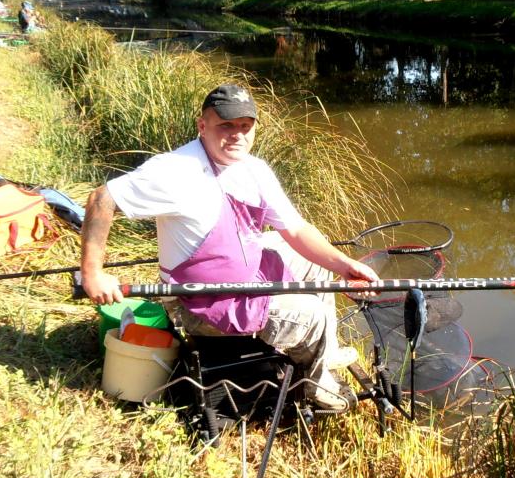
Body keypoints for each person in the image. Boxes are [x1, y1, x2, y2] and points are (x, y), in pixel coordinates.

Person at [80, 84, 380, 411]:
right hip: (198, 301)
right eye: (226, 125)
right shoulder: (176, 171)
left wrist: (344, 265)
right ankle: (316, 387)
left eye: (245, 126)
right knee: (315, 315)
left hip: (243, 274)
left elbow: (295, 229)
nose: (237, 134)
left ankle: (323, 350)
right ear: (202, 126)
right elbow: (102, 198)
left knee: (315, 262)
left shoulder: (254, 170)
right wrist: (93, 273)